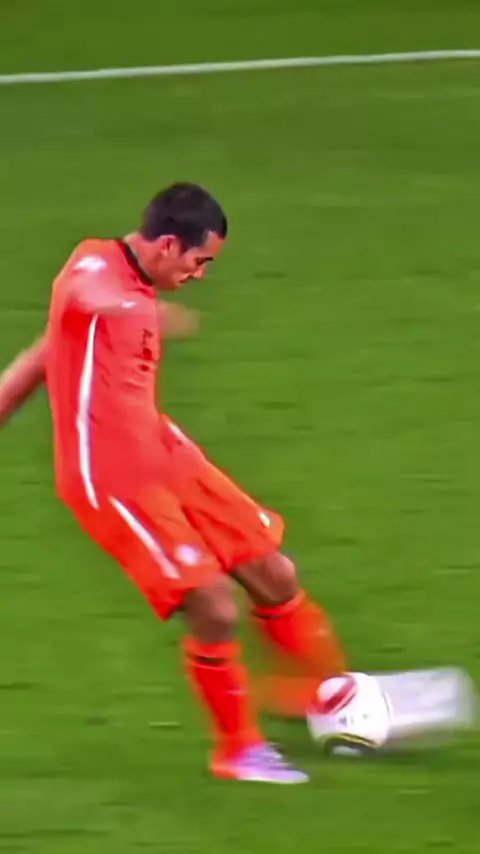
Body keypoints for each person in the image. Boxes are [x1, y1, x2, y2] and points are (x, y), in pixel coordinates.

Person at [0, 182, 347, 784]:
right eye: (198, 261)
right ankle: (238, 750)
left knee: (274, 570)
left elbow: (43, 354)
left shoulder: (137, 290)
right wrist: (130, 307)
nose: (199, 274)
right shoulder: (96, 265)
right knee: (214, 604)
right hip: (110, 476)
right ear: (167, 244)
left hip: (164, 451)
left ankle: (323, 693)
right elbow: (87, 292)